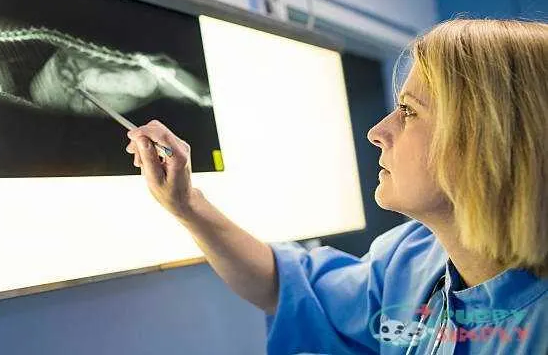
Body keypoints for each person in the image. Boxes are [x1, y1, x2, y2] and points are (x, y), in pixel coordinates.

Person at [125, 19, 548, 354]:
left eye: (409, 111)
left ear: (487, 139)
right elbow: (291, 289)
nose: (378, 132)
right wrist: (187, 205)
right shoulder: (411, 259)